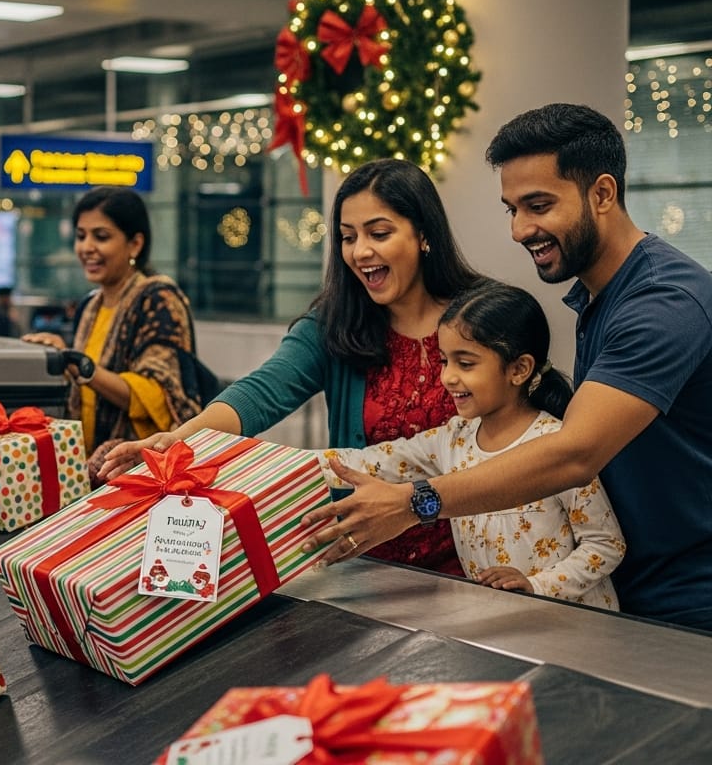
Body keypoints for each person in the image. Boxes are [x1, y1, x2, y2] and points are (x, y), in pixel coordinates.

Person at [300, 104, 712, 631]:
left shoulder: (663, 301)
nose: (520, 230)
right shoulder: (598, 296)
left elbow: (575, 453)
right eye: (511, 209)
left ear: (603, 194)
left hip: (689, 597)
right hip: (638, 588)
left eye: (538, 205)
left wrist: (417, 503)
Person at [102, 159, 488, 576]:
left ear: (424, 234)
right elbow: (262, 391)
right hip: (372, 568)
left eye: (379, 233)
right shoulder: (333, 323)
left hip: (480, 567)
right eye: (347, 237)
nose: (360, 252)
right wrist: (176, 441)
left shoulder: (484, 316)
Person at [322, 282, 624, 609]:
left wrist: (537, 586)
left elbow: (606, 543)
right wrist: (280, 462)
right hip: (504, 627)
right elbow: (372, 462)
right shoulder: (454, 438)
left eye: (465, 363)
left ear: (519, 369)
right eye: (443, 361)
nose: (447, 378)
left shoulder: (555, 445)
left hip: (573, 631)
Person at [21, 186, 208, 484]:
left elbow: (159, 396)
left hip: (141, 471)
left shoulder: (158, 298)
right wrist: (56, 358)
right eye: (81, 236)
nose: (86, 247)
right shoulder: (89, 305)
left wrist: (79, 365)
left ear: (135, 244)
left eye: (101, 236)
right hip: (90, 469)